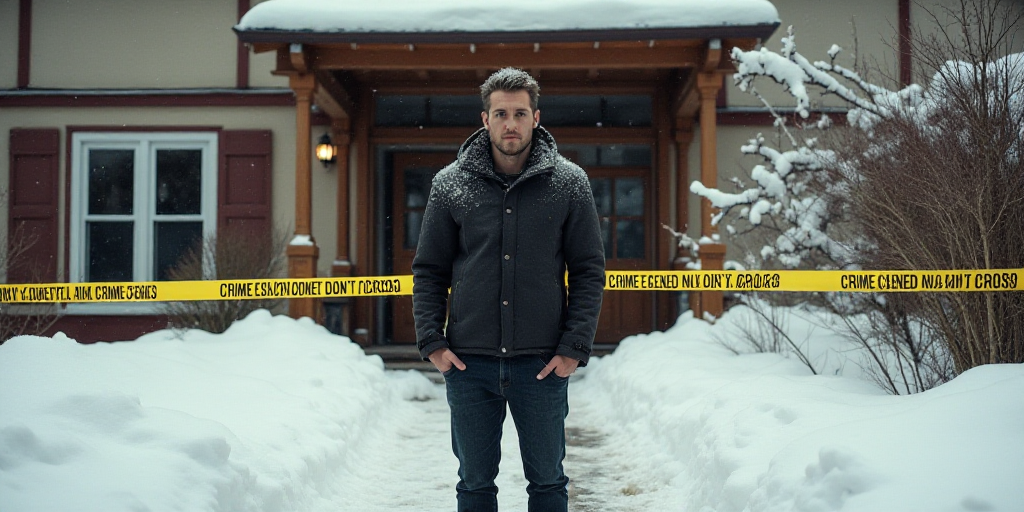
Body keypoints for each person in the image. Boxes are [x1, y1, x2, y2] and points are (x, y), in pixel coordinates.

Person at [412, 68, 605, 512]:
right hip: (469, 364)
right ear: (485, 119)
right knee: (475, 486)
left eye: (520, 113)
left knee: (548, 483)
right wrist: (434, 343)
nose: (511, 123)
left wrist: (574, 346)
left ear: (536, 117)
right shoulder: (450, 185)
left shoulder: (569, 183)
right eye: (501, 113)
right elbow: (428, 270)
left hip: (541, 365)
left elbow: (589, 270)